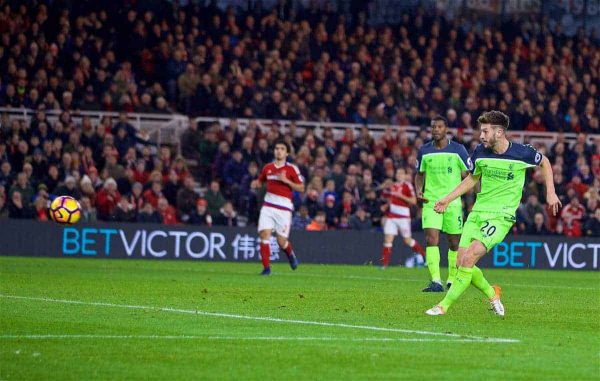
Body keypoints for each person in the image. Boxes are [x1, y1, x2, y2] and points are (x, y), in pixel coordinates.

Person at [426, 111, 561, 317]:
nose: (481, 135)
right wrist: (447, 198)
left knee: (469, 258)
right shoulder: (480, 151)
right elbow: (472, 179)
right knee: (461, 262)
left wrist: (550, 193)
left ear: (499, 132)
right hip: (478, 213)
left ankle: (443, 306)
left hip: (501, 216)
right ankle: (492, 293)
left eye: (485, 131)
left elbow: (545, 162)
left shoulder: (521, 153)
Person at [415, 116, 471, 292]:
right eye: (433, 127)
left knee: (454, 243)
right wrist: (418, 190)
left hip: (453, 203)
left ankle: (452, 279)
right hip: (431, 201)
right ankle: (436, 281)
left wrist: (471, 199)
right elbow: (419, 174)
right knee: (432, 239)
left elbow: (471, 174)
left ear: (446, 129)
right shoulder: (424, 151)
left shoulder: (458, 150)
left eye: (439, 127)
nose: (436, 130)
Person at [251, 140, 305, 275]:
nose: (279, 151)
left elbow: (302, 188)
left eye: (282, 149)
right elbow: (261, 180)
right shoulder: (267, 168)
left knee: (281, 241)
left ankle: (290, 254)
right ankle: (266, 269)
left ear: (286, 153)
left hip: (284, 209)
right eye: (276, 148)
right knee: (264, 235)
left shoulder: (292, 169)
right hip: (268, 206)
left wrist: (286, 181)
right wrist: (256, 183)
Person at [380, 168, 425, 269]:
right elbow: (391, 198)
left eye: (401, 173)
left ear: (405, 175)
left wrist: (401, 196)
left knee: (407, 240)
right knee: (388, 239)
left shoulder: (407, 186)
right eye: (398, 173)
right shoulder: (394, 186)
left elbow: (413, 201)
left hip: (403, 217)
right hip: (392, 216)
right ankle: (385, 265)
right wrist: (386, 206)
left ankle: (424, 256)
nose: (399, 175)